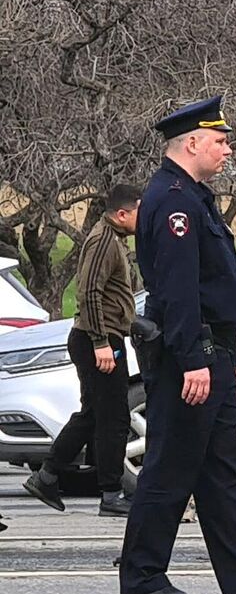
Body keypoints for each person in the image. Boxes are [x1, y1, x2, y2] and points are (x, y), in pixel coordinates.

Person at [118, 97, 236, 594]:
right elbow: (178, 291)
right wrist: (194, 359)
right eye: (220, 141)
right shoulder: (175, 201)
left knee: (223, 472)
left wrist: (232, 354)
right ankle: (142, 577)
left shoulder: (195, 196)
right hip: (191, 355)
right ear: (192, 143)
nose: (227, 150)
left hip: (214, 350)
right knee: (170, 468)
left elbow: (214, 289)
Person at [23, 185, 143, 516]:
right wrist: (101, 342)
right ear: (122, 214)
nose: (143, 219)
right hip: (96, 338)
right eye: (139, 213)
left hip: (101, 335)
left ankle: (47, 475)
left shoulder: (115, 239)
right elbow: (89, 291)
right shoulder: (104, 240)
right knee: (114, 417)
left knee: (94, 412)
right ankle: (110, 493)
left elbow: (114, 295)